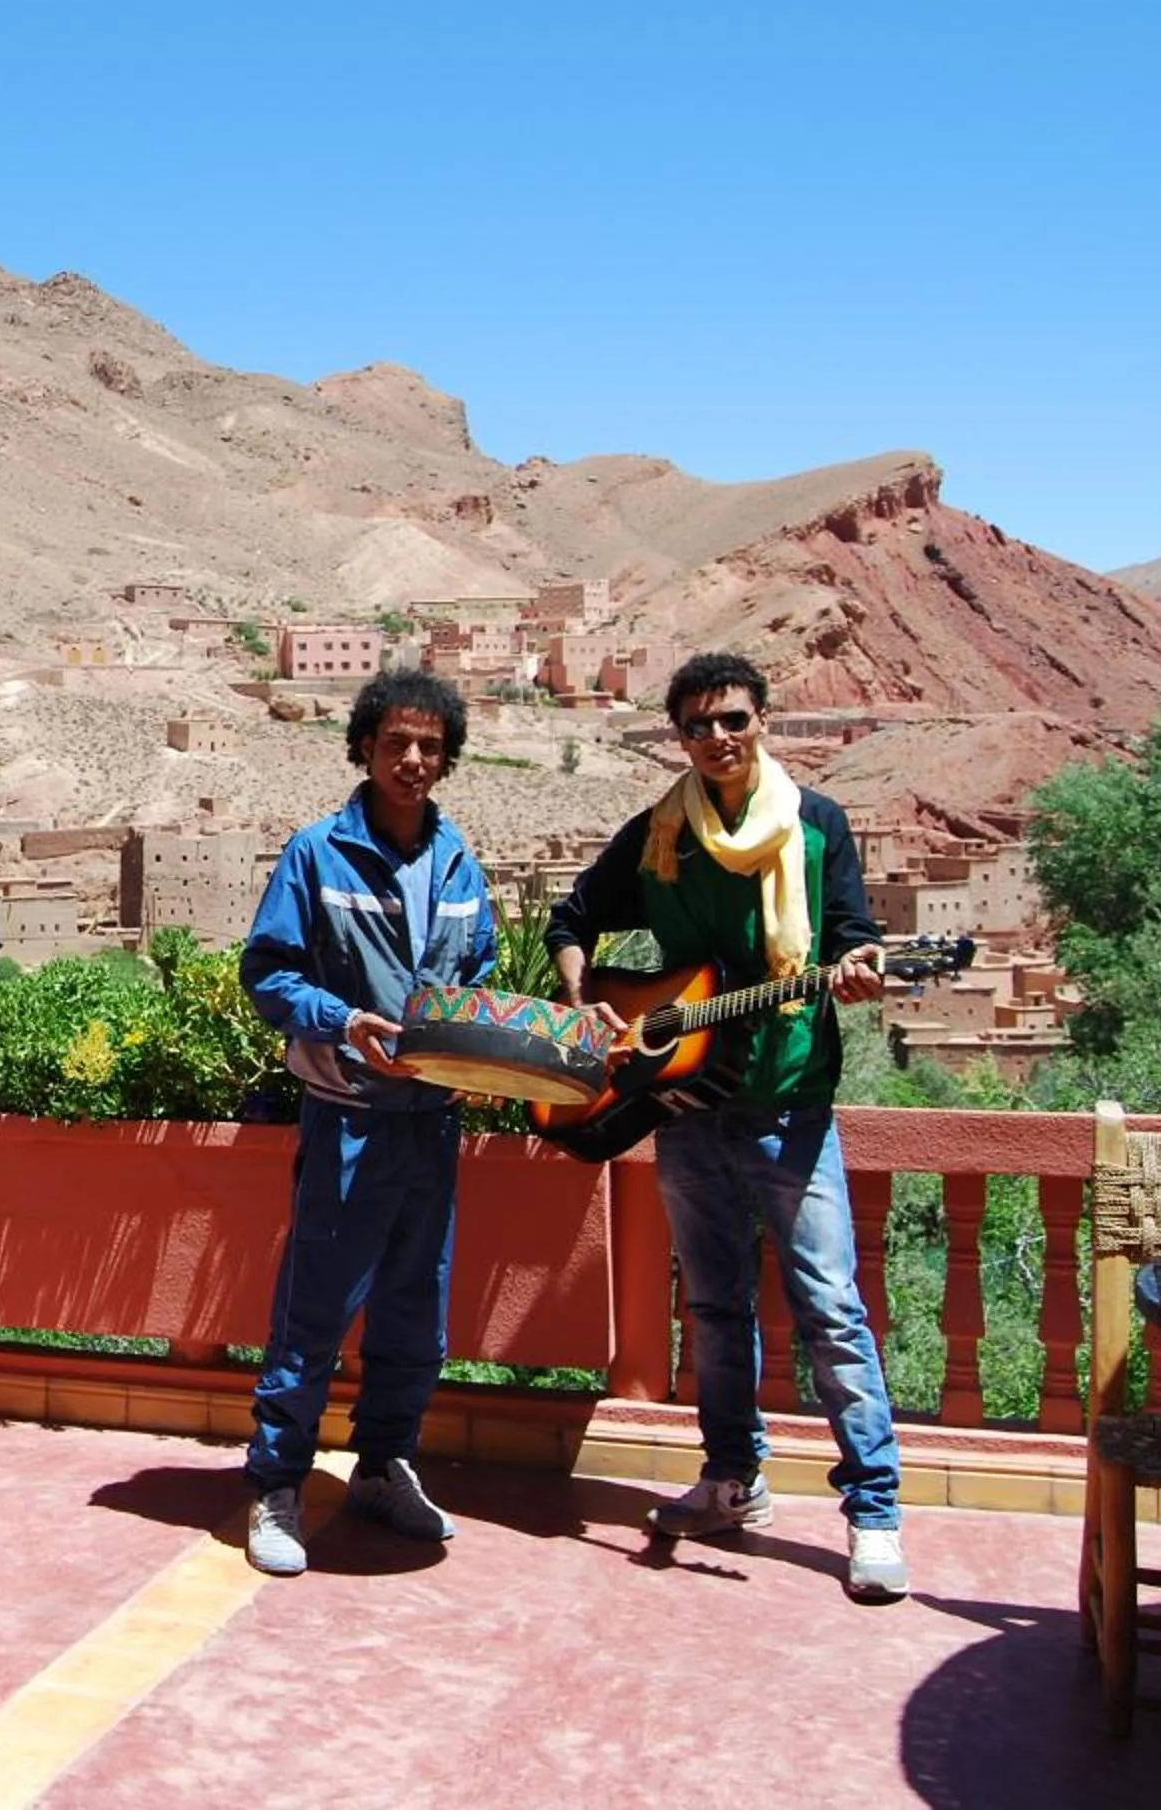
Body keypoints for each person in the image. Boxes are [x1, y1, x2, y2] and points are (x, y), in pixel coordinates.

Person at [544, 651, 906, 1603]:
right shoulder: (660, 831)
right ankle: (730, 1480)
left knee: (829, 1306)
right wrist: (589, 1002)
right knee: (712, 1308)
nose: (716, 739)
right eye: (697, 726)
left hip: (790, 1101)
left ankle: (872, 1512)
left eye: (733, 720)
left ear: (763, 721)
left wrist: (860, 969)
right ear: (678, 737)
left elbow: (849, 938)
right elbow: (572, 920)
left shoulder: (816, 825)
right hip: (687, 1108)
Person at [237, 666, 496, 1577]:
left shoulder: (463, 864)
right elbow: (268, 976)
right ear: (364, 748)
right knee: (315, 1312)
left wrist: (482, 1054)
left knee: (413, 1315)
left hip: (431, 1126)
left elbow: (479, 978)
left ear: (447, 756)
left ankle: (385, 1466)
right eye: (396, 743)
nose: (413, 760)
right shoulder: (317, 854)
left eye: (429, 746)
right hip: (347, 1116)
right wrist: (346, 1022)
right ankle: (276, 1484)